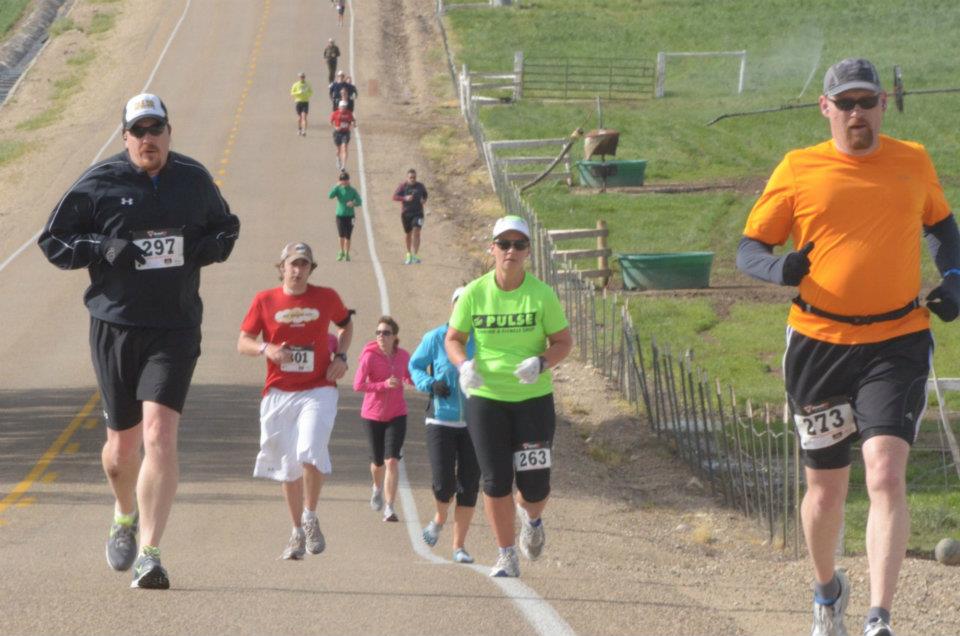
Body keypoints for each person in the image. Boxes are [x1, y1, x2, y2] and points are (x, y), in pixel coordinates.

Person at [736, 58, 960, 636]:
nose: (856, 113)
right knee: (825, 487)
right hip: (819, 344)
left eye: (866, 101)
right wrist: (780, 268)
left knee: (884, 472)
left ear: (883, 104)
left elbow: (942, 226)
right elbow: (749, 248)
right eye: (845, 103)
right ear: (826, 108)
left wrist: (955, 278)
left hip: (897, 340)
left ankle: (879, 618)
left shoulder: (913, 160)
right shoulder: (799, 168)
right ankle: (827, 590)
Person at [37, 93, 240, 589]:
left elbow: (226, 227)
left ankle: (150, 553)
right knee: (120, 451)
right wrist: (102, 247)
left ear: (169, 132)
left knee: (158, 435)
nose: (148, 139)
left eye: (156, 129)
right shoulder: (99, 182)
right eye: (139, 131)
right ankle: (124, 512)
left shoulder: (193, 179)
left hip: (175, 326)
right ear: (125, 137)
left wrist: (209, 247)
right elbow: (53, 240)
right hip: (116, 327)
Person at [444, 215, 573, 578]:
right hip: (486, 397)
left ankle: (531, 520)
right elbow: (453, 338)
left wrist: (541, 362)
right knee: (495, 479)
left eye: (518, 245)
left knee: (535, 486)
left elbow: (563, 342)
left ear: (528, 251)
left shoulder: (541, 295)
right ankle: (506, 554)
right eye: (504, 244)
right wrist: (463, 365)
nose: (510, 251)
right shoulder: (475, 293)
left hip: (532, 399)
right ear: (493, 249)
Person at [238, 242, 353, 560]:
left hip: (318, 388)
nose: (298, 270)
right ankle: (296, 532)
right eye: (293, 264)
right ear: (282, 267)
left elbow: (345, 324)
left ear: (311, 269)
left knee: (310, 450)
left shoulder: (327, 297)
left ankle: (310, 516)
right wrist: (267, 349)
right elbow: (244, 341)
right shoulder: (265, 300)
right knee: (287, 467)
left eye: (304, 264)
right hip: (279, 392)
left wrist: (341, 356)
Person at [409, 287, 480, 564]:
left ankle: (459, 546)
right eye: (460, 304)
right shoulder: (436, 337)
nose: (465, 309)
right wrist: (430, 384)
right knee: (443, 483)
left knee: (469, 485)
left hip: (475, 422)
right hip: (440, 419)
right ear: (453, 307)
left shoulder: (483, 340)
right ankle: (439, 518)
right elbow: (415, 366)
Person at [353, 316, 412, 522]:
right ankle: (376, 487)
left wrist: (418, 379)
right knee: (378, 462)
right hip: (372, 415)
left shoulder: (403, 356)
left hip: (397, 414)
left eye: (385, 333)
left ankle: (389, 507)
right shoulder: (369, 356)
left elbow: (410, 375)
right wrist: (383, 385)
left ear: (394, 336)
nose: (381, 336)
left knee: (392, 461)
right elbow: (358, 385)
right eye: (378, 332)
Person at [392, 168, 428, 265]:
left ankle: (416, 255)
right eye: (411, 177)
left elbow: (425, 195)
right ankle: (409, 254)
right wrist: (405, 198)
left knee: (416, 231)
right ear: (407, 178)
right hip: (406, 213)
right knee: (408, 234)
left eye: (414, 177)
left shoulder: (420, 186)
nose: (412, 179)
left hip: (418, 213)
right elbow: (394, 197)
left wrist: (424, 200)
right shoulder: (403, 186)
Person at [327, 171, 362, 261]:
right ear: (340, 181)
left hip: (350, 216)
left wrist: (353, 203)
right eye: (342, 180)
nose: (344, 181)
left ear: (348, 180)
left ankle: (347, 253)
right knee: (341, 235)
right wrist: (336, 186)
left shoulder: (353, 190)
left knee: (348, 235)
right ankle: (341, 251)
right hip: (340, 216)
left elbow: (359, 201)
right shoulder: (338, 189)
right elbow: (330, 196)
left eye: (346, 180)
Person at [329, 100, 356, 171]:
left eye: (345, 107)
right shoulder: (335, 113)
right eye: (342, 106)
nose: (343, 108)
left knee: (344, 147)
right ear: (339, 107)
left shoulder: (349, 113)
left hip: (346, 133)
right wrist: (335, 127)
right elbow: (331, 122)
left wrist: (353, 124)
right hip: (337, 133)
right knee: (338, 149)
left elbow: (353, 120)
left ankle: (343, 166)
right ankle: (338, 159)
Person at [291, 72, 313, 136]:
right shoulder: (296, 84)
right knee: (299, 117)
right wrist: (298, 92)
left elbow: (311, 92)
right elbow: (292, 93)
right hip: (298, 102)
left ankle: (304, 131)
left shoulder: (308, 84)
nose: (302, 78)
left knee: (304, 117)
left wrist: (306, 93)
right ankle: (299, 129)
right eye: (301, 77)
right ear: (299, 78)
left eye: (303, 77)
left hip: (305, 102)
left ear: (304, 77)